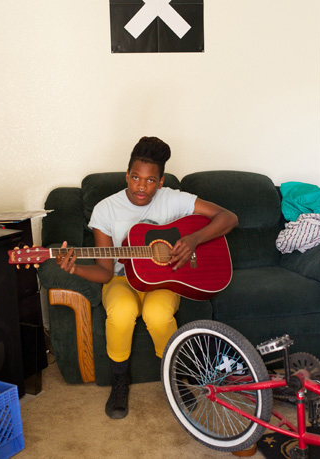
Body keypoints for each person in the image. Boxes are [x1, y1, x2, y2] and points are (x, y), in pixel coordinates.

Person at [55, 136, 239, 419]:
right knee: (121, 311)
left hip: (164, 280)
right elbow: (104, 272)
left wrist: (193, 239)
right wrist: (75, 267)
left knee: (158, 314)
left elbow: (228, 217)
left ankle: (175, 379)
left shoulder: (174, 199)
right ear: (127, 176)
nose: (142, 186)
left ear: (161, 181)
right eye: (136, 178)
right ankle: (119, 383)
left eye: (150, 180)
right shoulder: (106, 208)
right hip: (119, 281)